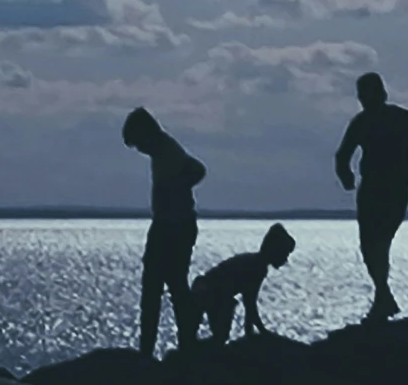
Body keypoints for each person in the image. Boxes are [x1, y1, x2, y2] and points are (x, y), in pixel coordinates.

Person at [333, 71, 408, 322]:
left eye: (368, 95)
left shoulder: (401, 118)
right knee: (369, 244)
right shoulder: (360, 122)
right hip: (371, 188)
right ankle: (383, 296)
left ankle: (383, 298)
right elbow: (342, 155)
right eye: (362, 96)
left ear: (381, 94)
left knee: (380, 241)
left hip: (395, 188)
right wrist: (346, 176)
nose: (365, 100)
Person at [123, 106, 206, 356]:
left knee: (162, 287)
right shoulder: (164, 151)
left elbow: (198, 170)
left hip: (173, 227)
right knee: (167, 286)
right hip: (170, 224)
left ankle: (165, 347)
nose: (140, 150)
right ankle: (175, 344)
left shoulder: (167, 150)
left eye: (139, 144)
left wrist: (175, 191)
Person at [189, 223, 296, 342]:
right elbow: (249, 304)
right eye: (285, 254)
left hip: (205, 288)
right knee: (220, 338)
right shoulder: (257, 268)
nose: (285, 260)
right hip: (208, 292)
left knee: (219, 337)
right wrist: (262, 331)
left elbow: (249, 301)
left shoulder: (254, 262)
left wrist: (252, 330)